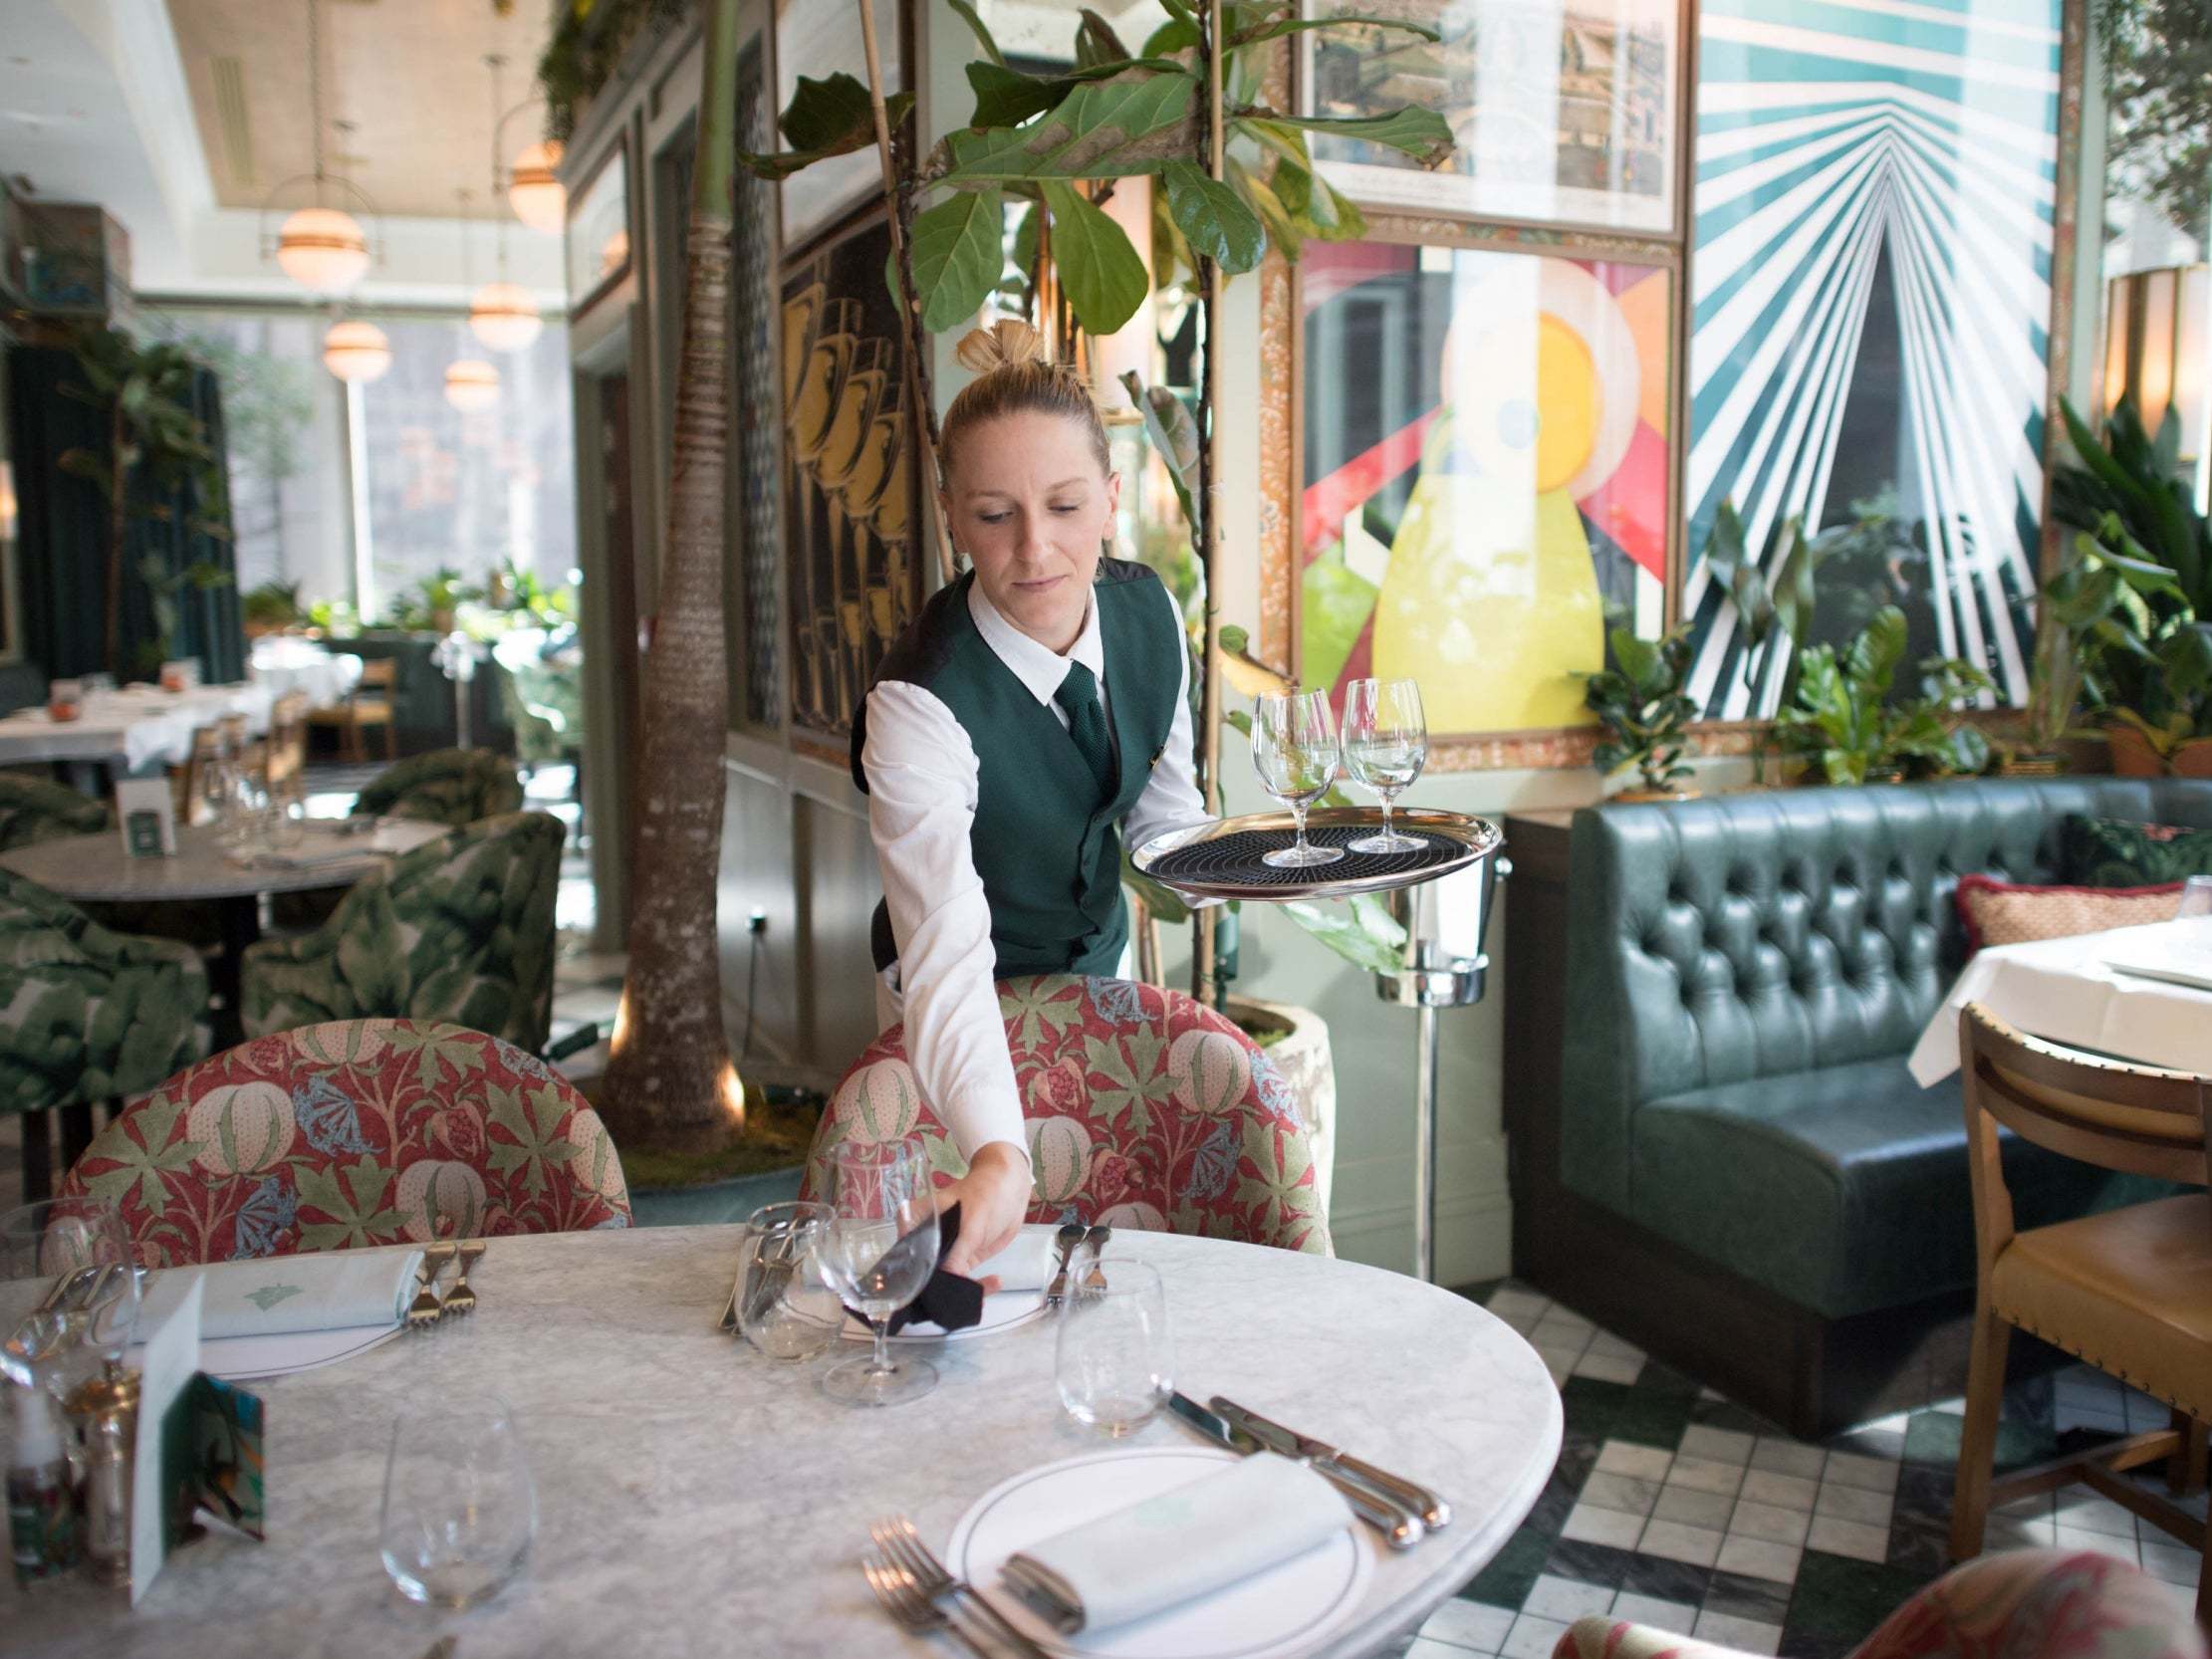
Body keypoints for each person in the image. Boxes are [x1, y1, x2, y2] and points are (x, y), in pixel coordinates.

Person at [852, 321, 1209, 1279]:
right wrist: (997, 1151)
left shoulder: (1150, 611)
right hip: (952, 1004)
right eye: (994, 514)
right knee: (975, 1266)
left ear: (1110, 499)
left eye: (1063, 505)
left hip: (1093, 970)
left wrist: (1247, 868)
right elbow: (945, 953)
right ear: (950, 519)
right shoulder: (919, 700)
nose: (1035, 548)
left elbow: (1164, 815)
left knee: (1092, 1255)